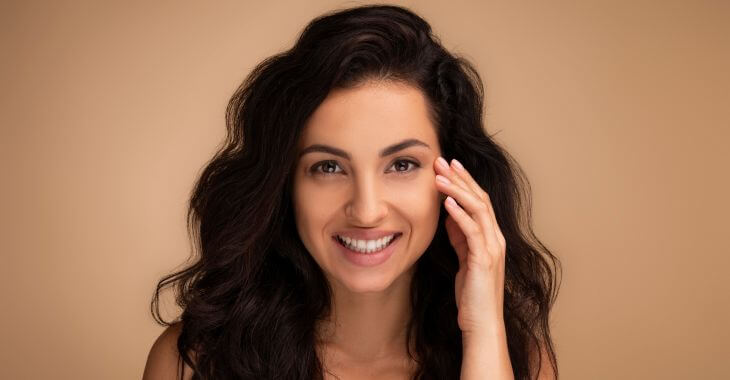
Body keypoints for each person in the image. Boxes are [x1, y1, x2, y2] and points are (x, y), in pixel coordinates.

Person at [143, 4, 561, 380]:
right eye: (328, 167)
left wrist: (482, 330)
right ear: (284, 184)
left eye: (401, 165)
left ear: (456, 178)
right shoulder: (192, 362)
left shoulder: (517, 361)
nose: (366, 210)